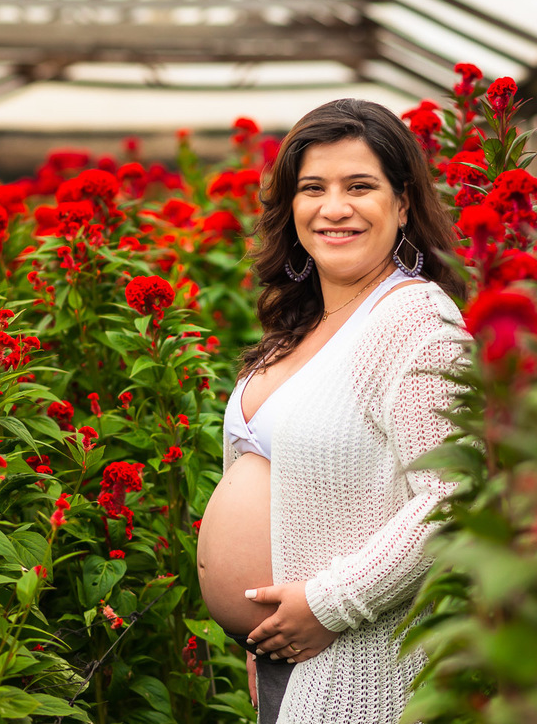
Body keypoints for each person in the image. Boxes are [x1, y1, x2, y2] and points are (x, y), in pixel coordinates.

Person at [195, 98, 466, 723]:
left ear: (402, 205)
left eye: (360, 186)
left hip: (358, 667)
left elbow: (454, 497)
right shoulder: (304, 321)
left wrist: (329, 604)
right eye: (313, 188)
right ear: (291, 208)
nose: (334, 207)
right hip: (285, 664)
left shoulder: (416, 323)